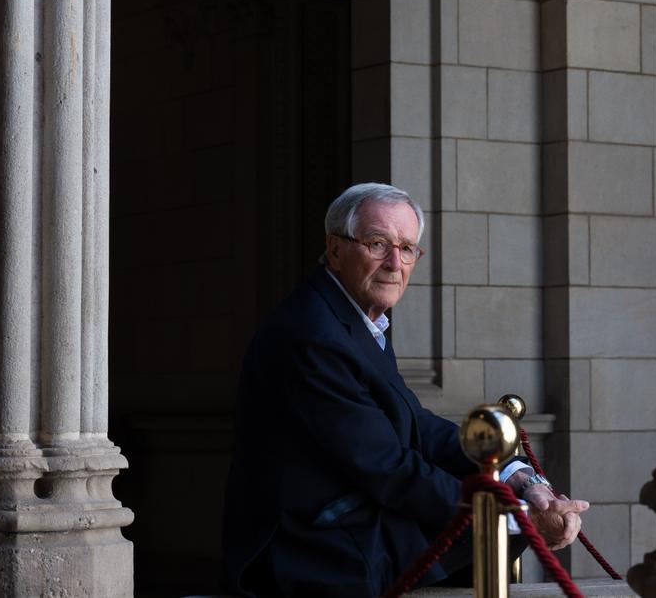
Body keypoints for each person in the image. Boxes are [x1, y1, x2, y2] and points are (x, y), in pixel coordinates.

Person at [222, 183, 589, 596]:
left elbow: (417, 424)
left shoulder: (353, 317)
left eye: (408, 248)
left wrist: (517, 476)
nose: (395, 263)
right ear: (336, 248)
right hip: (315, 551)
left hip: (358, 525)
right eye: (378, 243)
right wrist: (515, 515)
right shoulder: (313, 334)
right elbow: (386, 467)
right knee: (491, 533)